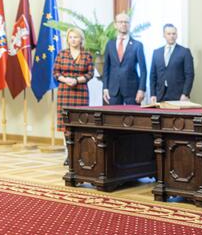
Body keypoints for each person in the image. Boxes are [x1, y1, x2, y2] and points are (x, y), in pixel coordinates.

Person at [53, 27, 94, 164]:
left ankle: (79, 154)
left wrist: (76, 80)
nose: (73, 40)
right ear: (67, 39)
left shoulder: (87, 55)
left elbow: (90, 74)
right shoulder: (61, 54)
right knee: (66, 125)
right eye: (70, 37)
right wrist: (66, 80)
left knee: (79, 124)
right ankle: (70, 155)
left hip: (80, 92)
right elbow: (56, 73)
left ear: (81, 39)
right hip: (65, 92)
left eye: (75, 37)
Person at [102, 12, 147, 105]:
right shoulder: (110, 44)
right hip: (113, 90)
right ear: (115, 25)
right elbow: (106, 68)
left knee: (133, 118)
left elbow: (143, 70)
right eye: (120, 22)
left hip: (132, 90)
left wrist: (141, 89)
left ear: (130, 24)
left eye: (126, 22)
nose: (123, 24)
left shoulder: (137, 45)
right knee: (112, 118)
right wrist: (105, 88)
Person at [150, 24, 194, 103]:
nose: (172, 36)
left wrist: (185, 94)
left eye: (174, 34)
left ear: (177, 35)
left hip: (178, 96)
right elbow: (153, 75)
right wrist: (153, 94)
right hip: (160, 95)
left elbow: (190, 75)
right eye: (169, 34)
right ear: (164, 35)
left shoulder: (185, 52)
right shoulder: (156, 52)